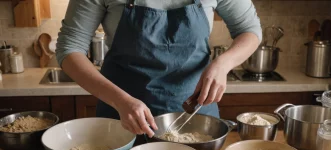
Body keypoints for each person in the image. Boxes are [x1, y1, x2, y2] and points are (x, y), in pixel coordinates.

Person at [56, 0, 262, 138]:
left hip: (195, 118)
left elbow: (249, 30)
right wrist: (120, 101)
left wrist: (222, 64)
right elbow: (70, 48)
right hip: (122, 118)